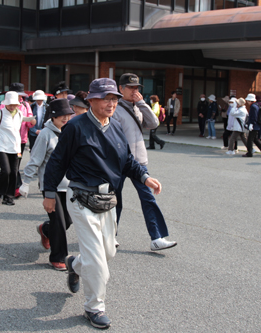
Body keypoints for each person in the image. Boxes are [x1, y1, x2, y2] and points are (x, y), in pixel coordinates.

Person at [42, 78, 163, 329]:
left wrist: (144, 176)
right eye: (106, 98)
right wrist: (50, 193)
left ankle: (74, 264)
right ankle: (94, 308)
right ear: (91, 100)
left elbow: (127, 160)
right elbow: (57, 161)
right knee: (98, 262)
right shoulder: (75, 127)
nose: (111, 103)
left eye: (114, 99)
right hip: (81, 198)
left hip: (108, 199)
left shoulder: (116, 127)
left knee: (108, 253)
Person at [114, 73, 175, 250]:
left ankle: (156, 238)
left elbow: (153, 124)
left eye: (137, 88)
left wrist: (141, 103)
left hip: (139, 161)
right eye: (131, 87)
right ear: (121, 89)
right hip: (119, 162)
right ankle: (110, 235)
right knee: (114, 200)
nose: (135, 91)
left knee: (148, 198)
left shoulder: (139, 106)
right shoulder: (115, 109)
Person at [19, 99, 75, 270]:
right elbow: (35, 160)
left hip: (69, 185)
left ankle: (46, 229)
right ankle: (58, 257)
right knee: (59, 221)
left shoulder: (71, 131)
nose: (65, 119)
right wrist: (26, 182)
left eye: (68, 115)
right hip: (50, 185)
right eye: (61, 116)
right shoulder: (45, 134)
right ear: (53, 116)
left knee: (67, 220)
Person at [1, 83, 36, 198]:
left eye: (21, 95)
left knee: (16, 164)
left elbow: (29, 123)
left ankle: (13, 188)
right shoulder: (3, 106)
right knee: (8, 167)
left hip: (21, 141)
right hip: (6, 141)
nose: (21, 98)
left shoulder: (26, 105)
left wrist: (31, 123)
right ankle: (14, 187)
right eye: (18, 95)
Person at [0, 91, 24, 205]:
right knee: (5, 171)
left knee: (14, 172)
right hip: (2, 146)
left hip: (16, 147)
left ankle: (9, 196)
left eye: (14, 104)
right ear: (5, 104)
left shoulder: (19, 114)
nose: (12, 106)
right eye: (10, 104)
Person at [243, 93, 261, 158]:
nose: (247, 102)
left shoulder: (253, 107)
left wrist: (251, 124)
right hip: (256, 125)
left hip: (254, 125)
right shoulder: (256, 105)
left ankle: (249, 153)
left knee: (250, 140)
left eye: (248, 101)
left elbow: (253, 117)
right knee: (254, 139)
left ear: (250, 100)